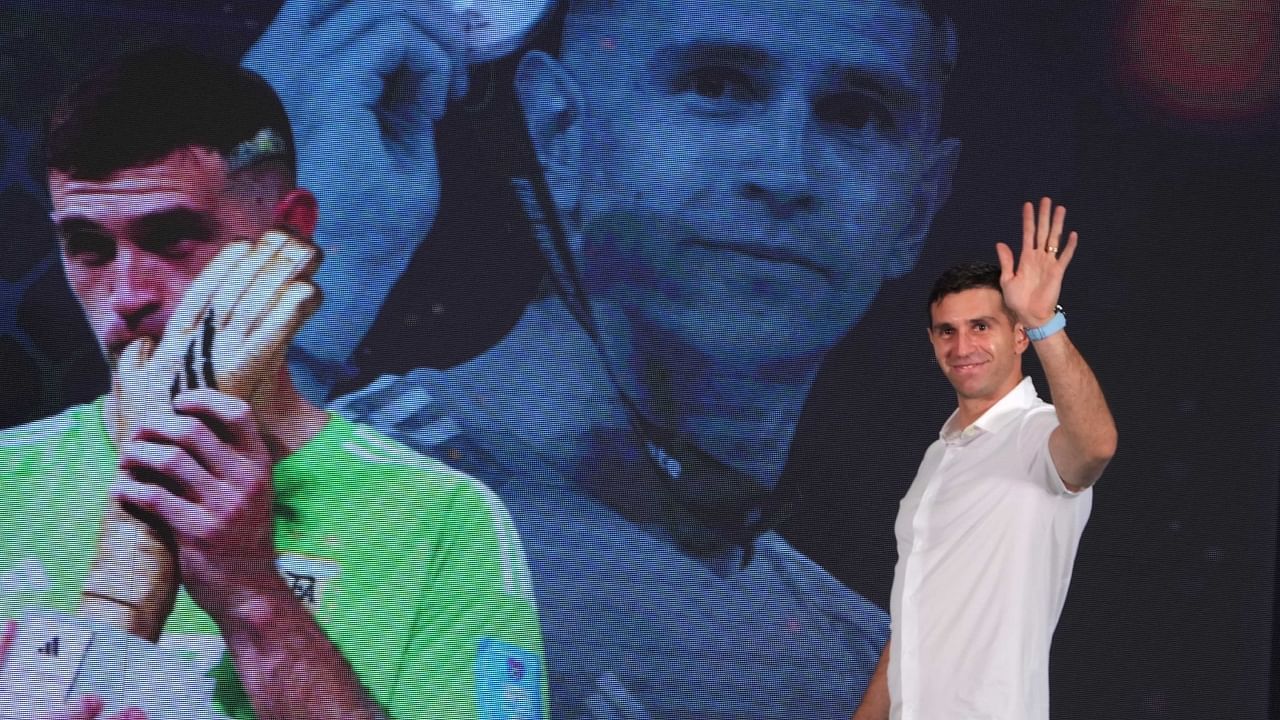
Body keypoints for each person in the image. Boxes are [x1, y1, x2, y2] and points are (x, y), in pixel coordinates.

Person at [247, 0, 961, 716]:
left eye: (857, 114)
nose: (785, 173)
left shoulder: (867, 669)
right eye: (716, 85)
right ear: (558, 129)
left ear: (919, 211)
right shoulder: (289, 497)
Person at [0, 47, 546, 720]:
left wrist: (253, 595)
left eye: (174, 239)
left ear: (288, 232)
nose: (127, 295)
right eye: (90, 248)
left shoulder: (442, 519)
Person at [851, 198, 1117, 720]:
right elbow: (916, 617)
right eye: (947, 331)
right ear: (932, 343)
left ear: (1018, 335)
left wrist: (1045, 319)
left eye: (981, 326)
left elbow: (1095, 446)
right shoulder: (938, 456)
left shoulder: (1038, 434)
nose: (962, 345)